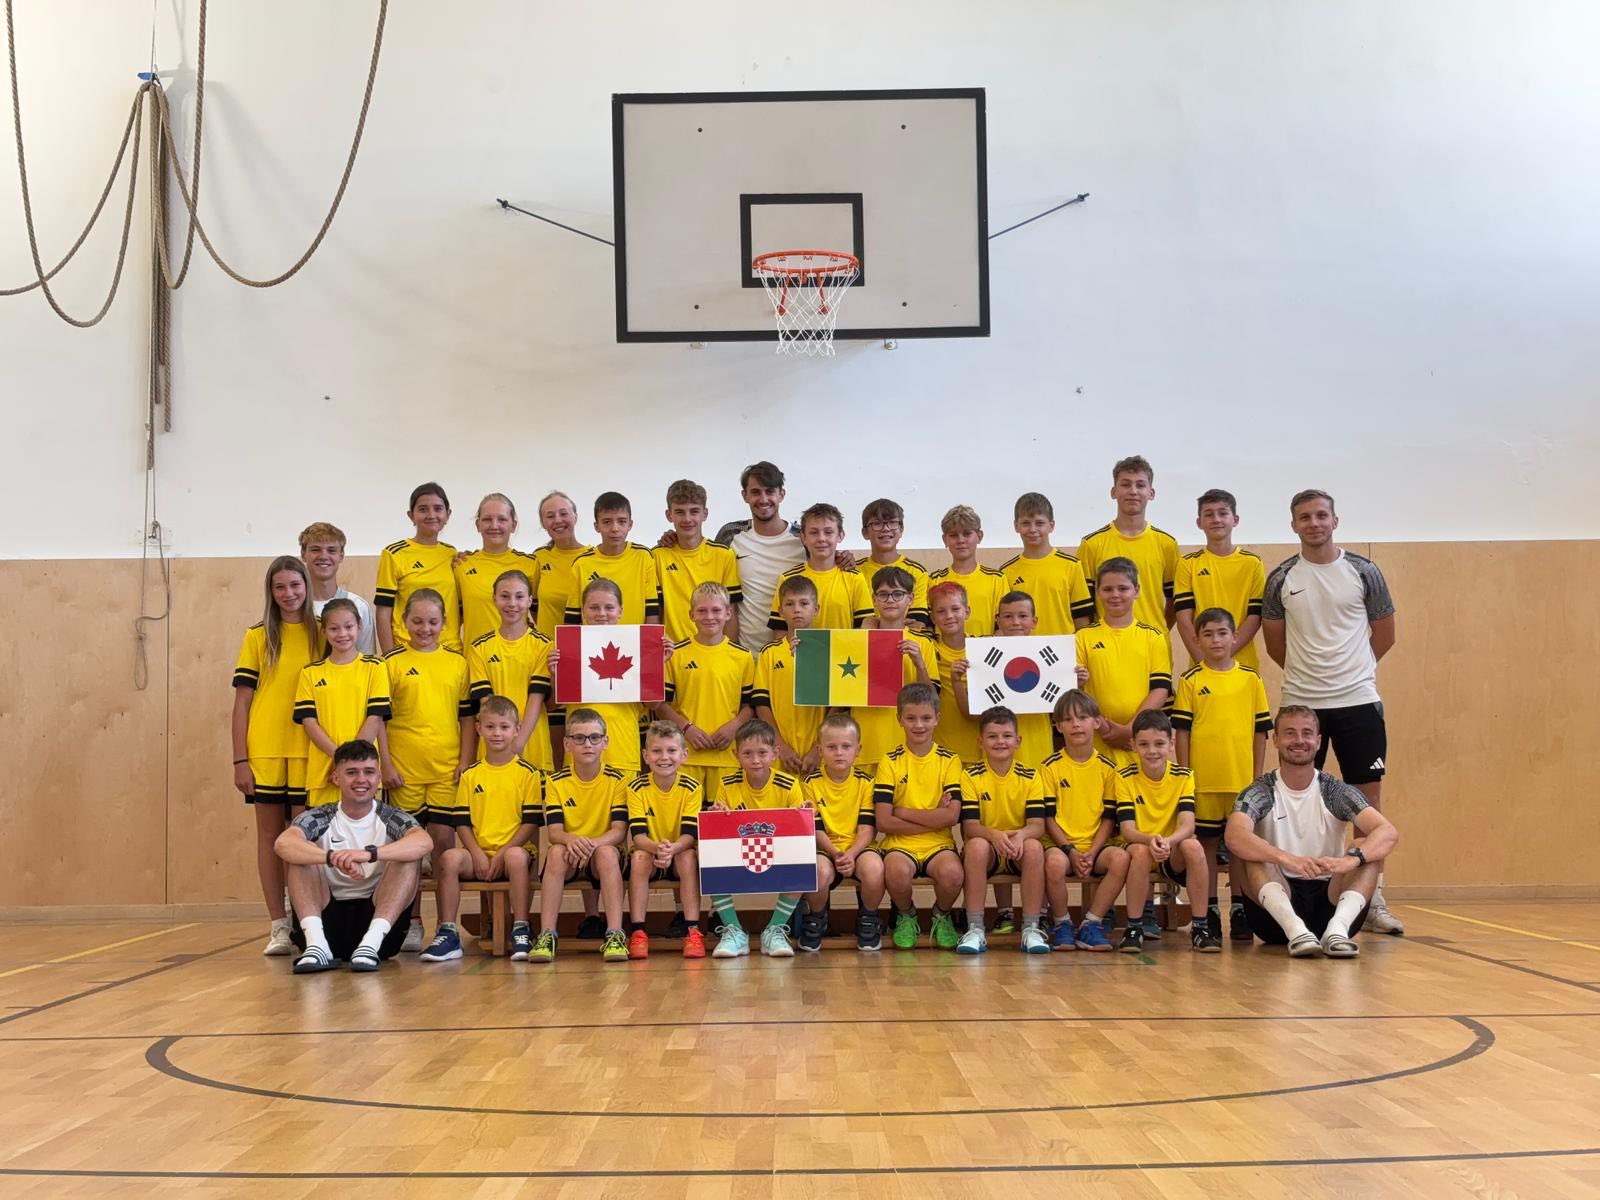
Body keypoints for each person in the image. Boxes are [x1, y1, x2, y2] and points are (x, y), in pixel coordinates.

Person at [1261, 488, 1403, 935]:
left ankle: (1372, 901)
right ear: (1294, 525)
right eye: (1305, 517)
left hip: (1359, 701)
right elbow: (1276, 644)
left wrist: (1353, 672)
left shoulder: (1364, 571)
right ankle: (1300, 897)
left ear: (1335, 521)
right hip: (1304, 703)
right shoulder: (1281, 577)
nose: (1314, 523)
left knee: (1367, 804)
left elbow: (1385, 633)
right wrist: (1312, 679)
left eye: (1322, 515)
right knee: (1300, 802)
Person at [1225, 706, 1400, 957]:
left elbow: (1387, 832)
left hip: (1330, 902)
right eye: (1290, 733)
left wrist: (1351, 860)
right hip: (1275, 915)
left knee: (1364, 847)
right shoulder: (1261, 791)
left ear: (1318, 742)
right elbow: (1235, 835)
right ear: (1276, 740)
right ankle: (1296, 931)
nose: (1299, 740)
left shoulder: (1334, 791)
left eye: (1306, 733)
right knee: (1251, 851)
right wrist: (1286, 858)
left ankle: (1337, 931)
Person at [274, 739, 431, 974]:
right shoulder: (320, 816)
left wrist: (368, 854)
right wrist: (332, 857)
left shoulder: (391, 817)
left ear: (379, 778)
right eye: (351, 772)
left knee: (409, 857)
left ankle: (369, 945)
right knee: (300, 857)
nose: (361, 779)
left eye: (369, 772)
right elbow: (283, 843)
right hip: (327, 924)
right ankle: (317, 946)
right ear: (336, 778)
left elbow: (424, 841)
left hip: (379, 929)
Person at [232, 555, 320, 956]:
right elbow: (242, 703)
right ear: (271, 591)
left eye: (295, 585)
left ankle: (306, 922)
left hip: (309, 751)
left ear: (307, 586)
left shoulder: (323, 631)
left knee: (301, 839)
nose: (289, 593)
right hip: (266, 751)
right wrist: (240, 760)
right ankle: (278, 926)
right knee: (269, 838)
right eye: (280, 587)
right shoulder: (258, 636)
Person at [378, 588, 474, 951]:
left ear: (445, 623)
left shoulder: (457, 663)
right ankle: (412, 922)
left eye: (433, 622)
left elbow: (467, 718)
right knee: (409, 852)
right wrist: (386, 764)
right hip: (404, 773)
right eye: (417, 621)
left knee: (444, 849)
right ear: (404, 622)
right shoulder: (391, 664)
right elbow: (379, 720)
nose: (425, 628)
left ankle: (446, 925)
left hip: (447, 770)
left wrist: (465, 761)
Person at [1171, 607, 1271, 943]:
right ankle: (1209, 908)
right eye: (1208, 634)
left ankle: (1240, 908)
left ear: (1235, 637)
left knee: (1240, 848)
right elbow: (1182, 732)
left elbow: (1260, 732)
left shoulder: (1251, 679)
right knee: (1206, 846)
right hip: (1204, 784)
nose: (1216, 640)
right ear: (1197, 639)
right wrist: (1186, 775)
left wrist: (1256, 777)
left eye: (1222, 633)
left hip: (1240, 782)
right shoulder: (1190, 680)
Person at [418, 696, 542, 963]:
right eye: (490, 726)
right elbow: (462, 823)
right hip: (479, 855)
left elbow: (530, 822)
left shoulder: (528, 773)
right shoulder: (471, 774)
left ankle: (521, 929)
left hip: (513, 854)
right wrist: (476, 853)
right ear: (478, 728)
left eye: (504, 727)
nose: (497, 733)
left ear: (517, 730)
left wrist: (502, 853)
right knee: (449, 858)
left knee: (516, 857)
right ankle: (448, 933)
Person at [1115, 711, 1220, 954]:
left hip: (1170, 849)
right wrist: (1151, 840)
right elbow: (1128, 830)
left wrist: (1168, 842)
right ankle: (1134, 928)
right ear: (1133, 745)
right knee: (1141, 852)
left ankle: (1201, 928)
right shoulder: (1124, 777)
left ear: (1171, 744)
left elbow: (1188, 825)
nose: (1152, 751)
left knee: (1194, 846)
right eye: (1144, 744)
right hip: (1141, 844)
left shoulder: (1184, 776)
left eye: (1159, 743)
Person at [531, 708, 631, 964]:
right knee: (555, 852)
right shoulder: (555, 781)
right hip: (570, 855)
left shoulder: (618, 780)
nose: (587, 744)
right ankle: (547, 934)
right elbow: (555, 833)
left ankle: (615, 934)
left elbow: (619, 831)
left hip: (603, 853)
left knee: (607, 853)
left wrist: (590, 844)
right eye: (579, 738)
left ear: (605, 742)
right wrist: (572, 841)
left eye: (594, 737)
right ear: (567, 744)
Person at [874, 683, 966, 951]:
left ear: (937, 718)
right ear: (899, 719)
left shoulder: (950, 760)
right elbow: (883, 822)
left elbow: (952, 817)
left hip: (939, 844)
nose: (919, 725)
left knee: (953, 875)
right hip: (899, 845)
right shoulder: (889, 761)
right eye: (911, 718)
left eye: (926, 718)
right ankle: (906, 915)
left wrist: (903, 812)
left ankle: (942, 914)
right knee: (896, 872)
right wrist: (933, 816)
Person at [1039, 689, 1129, 951]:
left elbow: (1109, 818)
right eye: (1068, 719)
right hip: (1062, 847)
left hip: (1095, 848)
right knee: (1054, 863)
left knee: (1121, 858)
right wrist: (1070, 850)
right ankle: (1062, 923)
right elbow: (1048, 818)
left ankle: (1092, 923)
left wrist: (1092, 851)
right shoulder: (1049, 767)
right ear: (1058, 726)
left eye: (1082, 717)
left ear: (1097, 722)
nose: (1076, 724)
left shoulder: (1108, 769)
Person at [956, 707, 1050, 955]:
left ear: (1018, 741)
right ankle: (975, 929)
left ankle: (1031, 929)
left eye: (1007, 736)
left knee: (1034, 847)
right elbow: (970, 826)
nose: (1000, 741)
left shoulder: (1031, 776)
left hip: (1017, 849)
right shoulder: (970, 776)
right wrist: (994, 835)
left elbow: (1037, 825)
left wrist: (1020, 835)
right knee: (976, 845)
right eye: (992, 736)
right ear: (981, 742)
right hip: (987, 850)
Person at [709, 720, 806, 958]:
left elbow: (798, 831)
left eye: (762, 753)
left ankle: (775, 930)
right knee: (708, 854)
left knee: (804, 854)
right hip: (739, 853)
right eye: (747, 754)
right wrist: (717, 815)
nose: (755, 760)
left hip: (778, 853)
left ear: (775, 753)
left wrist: (804, 814)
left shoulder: (789, 785)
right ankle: (734, 931)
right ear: (736, 755)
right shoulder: (726, 784)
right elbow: (722, 831)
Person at [656, 582, 755, 802]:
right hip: (686, 755)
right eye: (702, 611)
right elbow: (661, 705)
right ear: (691, 614)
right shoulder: (676, 654)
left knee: (722, 819)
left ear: (728, 613)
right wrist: (687, 728)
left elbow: (750, 706)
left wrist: (734, 726)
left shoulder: (743, 656)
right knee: (686, 818)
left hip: (727, 756)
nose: (709, 616)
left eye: (716, 610)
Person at [1073, 560, 1173, 769]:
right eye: (1107, 589)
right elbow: (1077, 692)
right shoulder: (1082, 637)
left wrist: (1131, 730)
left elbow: (1160, 689)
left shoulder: (1153, 637)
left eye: (1123, 588)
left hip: (1139, 740)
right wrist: (1103, 727)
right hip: (1097, 739)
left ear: (1136, 590)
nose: (1115, 595)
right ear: (1098, 592)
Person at [293, 599, 390, 808]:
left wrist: (349, 765)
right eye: (334, 628)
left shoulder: (375, 667)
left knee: (361, 828)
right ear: (324, 631)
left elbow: (375, 718)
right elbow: (309, 723)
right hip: (324, 772)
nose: (342, 634)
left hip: (363, 773)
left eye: (348, 626)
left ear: (359, 626)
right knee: (323, 828)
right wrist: (339, 761)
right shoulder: (310, 673)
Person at [800, 713, 884, 951]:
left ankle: (868, 918)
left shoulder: (867, 783)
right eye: (831, 747)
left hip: (859, 847)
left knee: (875, 869)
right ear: (819, 750)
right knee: (817, 871)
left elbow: (867, 829)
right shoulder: (809, 783)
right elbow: (814, 829)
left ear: (858, 750)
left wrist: (851, 854)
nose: (839, 752)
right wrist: (837, 853)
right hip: (825, 847)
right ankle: (817, 917)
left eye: (846, 746)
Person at [625, 722, 707, 959]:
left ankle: (692, 931)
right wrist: (659, 849)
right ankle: (638, 932)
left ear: (684, 755)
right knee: (639, 857)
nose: (664, 757)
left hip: (678, 852)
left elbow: (689, 835)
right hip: (651, 853)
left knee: (688, 856)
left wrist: (672, 849)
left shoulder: (692, 787)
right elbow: (638, 837)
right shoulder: (636, 788)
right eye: (656, 751)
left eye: (671, 750)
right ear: (645, 756)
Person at [712, 461, 807, 653]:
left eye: (770, 491)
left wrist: (843, 557)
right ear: (745, 495)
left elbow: (827, 564)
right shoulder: (730, 535)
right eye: (755, 492)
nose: (763, 499)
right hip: (746, 654)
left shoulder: (803, 538)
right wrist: (672, 538)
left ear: (781, 494)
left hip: (792, 654)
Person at [1077, 455, 1180, 630]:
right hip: (1105, 643)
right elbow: (1082, 606)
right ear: (1113, 492)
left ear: (1151, 493)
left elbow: (1175, 601)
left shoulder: (1167, 544)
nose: (1133, 491)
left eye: (1140, 485)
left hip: (1153, 644)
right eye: (1125, 484)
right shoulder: (1091, 544)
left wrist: (1157, 632)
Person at [465, 569, 554, 771]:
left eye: (519, 597)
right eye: (505, 596)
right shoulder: (479, 647)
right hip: (493, 746)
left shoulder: (544, 645)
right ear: (494, 599)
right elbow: (486, 702)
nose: (512, 603)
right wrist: (502, 743)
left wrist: (518, 743)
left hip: (532, 744)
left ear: (530, 601)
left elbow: (537, 698)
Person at [854, 566, 936, 772]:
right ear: (874, 599)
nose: (890, 600)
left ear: (910, 599)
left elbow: (933, 699)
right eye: (883, 594)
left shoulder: (923, 643)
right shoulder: (855, 640)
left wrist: (919, 664)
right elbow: (836, 686)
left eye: (897, 594)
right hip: (863, 745)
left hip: (905, 748)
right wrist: (803, 650)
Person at [1173, 489, 1265, 671]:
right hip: (1201, 665)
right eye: (1209, 514)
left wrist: (1221, 659)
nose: (1216, 519)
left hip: (1244, 667)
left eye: (1223, 513)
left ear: (1235, 520)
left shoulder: (1253, 563)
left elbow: (1255, 617)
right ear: (1199, 522)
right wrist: (1205, 662)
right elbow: (1184, 620)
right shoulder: (1187, 564)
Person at [653, 479, 743, 645]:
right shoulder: (657, 556)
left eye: (694, 511)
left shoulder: (724, 555)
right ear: (669, 515)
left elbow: (730, 612)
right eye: (680, 512)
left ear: (705, 514)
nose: (687, 519)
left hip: (713, 651)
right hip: (672, 652)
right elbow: (654, 611)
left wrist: (731, 652)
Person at [375, 481, 462, 653]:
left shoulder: (452, 554)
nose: (431, 515)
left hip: (450, 651)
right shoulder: (394, 554)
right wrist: (389, 656)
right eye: (423, 509)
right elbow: (383, 611)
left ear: (448, 514)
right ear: (411, 515)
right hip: (407, 651)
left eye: (438, 509)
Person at [752, 574, 825, 776]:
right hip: (780, 752)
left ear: (816, 609)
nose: (797, 609)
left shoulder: (828, 651)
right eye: (790, 604)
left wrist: (819, 748)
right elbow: (761, 705)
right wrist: (780, 746)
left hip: (819, 753)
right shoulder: (769, 653)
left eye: (804, 603)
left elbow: (837, 706)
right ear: (780, 611)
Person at [766, 503, 872, 633]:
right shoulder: (788, 578)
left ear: (840, 536)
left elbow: (865, 628)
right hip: (800, 648)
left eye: (828, 532)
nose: (821, 538)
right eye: (814, 532)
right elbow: (780, 630)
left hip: (843, 647)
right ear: (803, 537)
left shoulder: (854, 578)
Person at [564, 492, 663, 627]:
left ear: (630, 524)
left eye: (621, 521)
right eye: (607, 522)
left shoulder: (643, 557)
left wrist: (649, 640)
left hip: (634, 639)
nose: (615, 529)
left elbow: (652, 611)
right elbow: (572, 619)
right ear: (596, 526)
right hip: (593, 640)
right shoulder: (581, 563)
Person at [1000, 493, 1093, 636]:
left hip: (1062, 648)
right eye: (1026, 523)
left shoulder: (1071, 566)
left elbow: (1081, 618)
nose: (1032, 529)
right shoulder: (1006, 572)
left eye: (1039, 523)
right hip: (1022, 648)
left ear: (1051, 525)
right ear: (1016, 526)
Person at [453, 493, 538, 646]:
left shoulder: (532, 564)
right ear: (478, 525)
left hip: (521, 657)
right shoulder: (462, 565)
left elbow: (540, 615)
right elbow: (454, 619)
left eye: (502, 519)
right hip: (476, 658)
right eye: (487, 519)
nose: (494, 525)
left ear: (513, 525)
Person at [992, 591, 1056, 770]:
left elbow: (1062, 701)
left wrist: (1077, 680)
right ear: (998, 621)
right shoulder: (985, 655)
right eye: (1008, 616)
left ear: (1034, 621)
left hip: (1038, 738)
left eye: (1022, 616)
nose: (1015, 622)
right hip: (999, 743)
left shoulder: (1049, 654)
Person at [928, 504, 1007, 636]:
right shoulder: (935, 580)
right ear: (945, 540)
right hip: (944, 649)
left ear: (979, 536)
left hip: (985, 649)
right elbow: (929, 627)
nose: (961, 540)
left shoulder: (997, 579)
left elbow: (1003, 626)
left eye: (967, 534)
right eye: (953, 535)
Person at [298, 522, 375, 655]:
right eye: (315, 549)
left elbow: (367, 659)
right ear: (303, 554)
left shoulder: (358, 606)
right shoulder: (293, 605)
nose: (323, 556)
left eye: (331, 550)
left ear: (341, 555)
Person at [926, 580, 980, 762]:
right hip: (940, 749)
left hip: (979, 748)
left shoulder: (984, 649)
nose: (949, 616)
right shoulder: (927, 648)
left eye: (955, 609)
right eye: (941, 611)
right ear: (933, 617)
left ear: (967, 612)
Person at [858, 498, 932, 627]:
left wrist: (877, 623)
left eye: (892, 522)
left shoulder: (917, 572)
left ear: (901, 530)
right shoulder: (855, 571)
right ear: (865, 533)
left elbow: (918, 624)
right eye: (877, 523)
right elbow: (858, 624)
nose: (886, 529)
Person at [529, 490, 591, 640]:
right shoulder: (538, 558)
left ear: (575, 517)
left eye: (563, 514)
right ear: (543, 523)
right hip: (548, 648)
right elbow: (533, 608)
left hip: (585, 648)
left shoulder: (593, 557)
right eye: (550, 516)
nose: (557, 520)